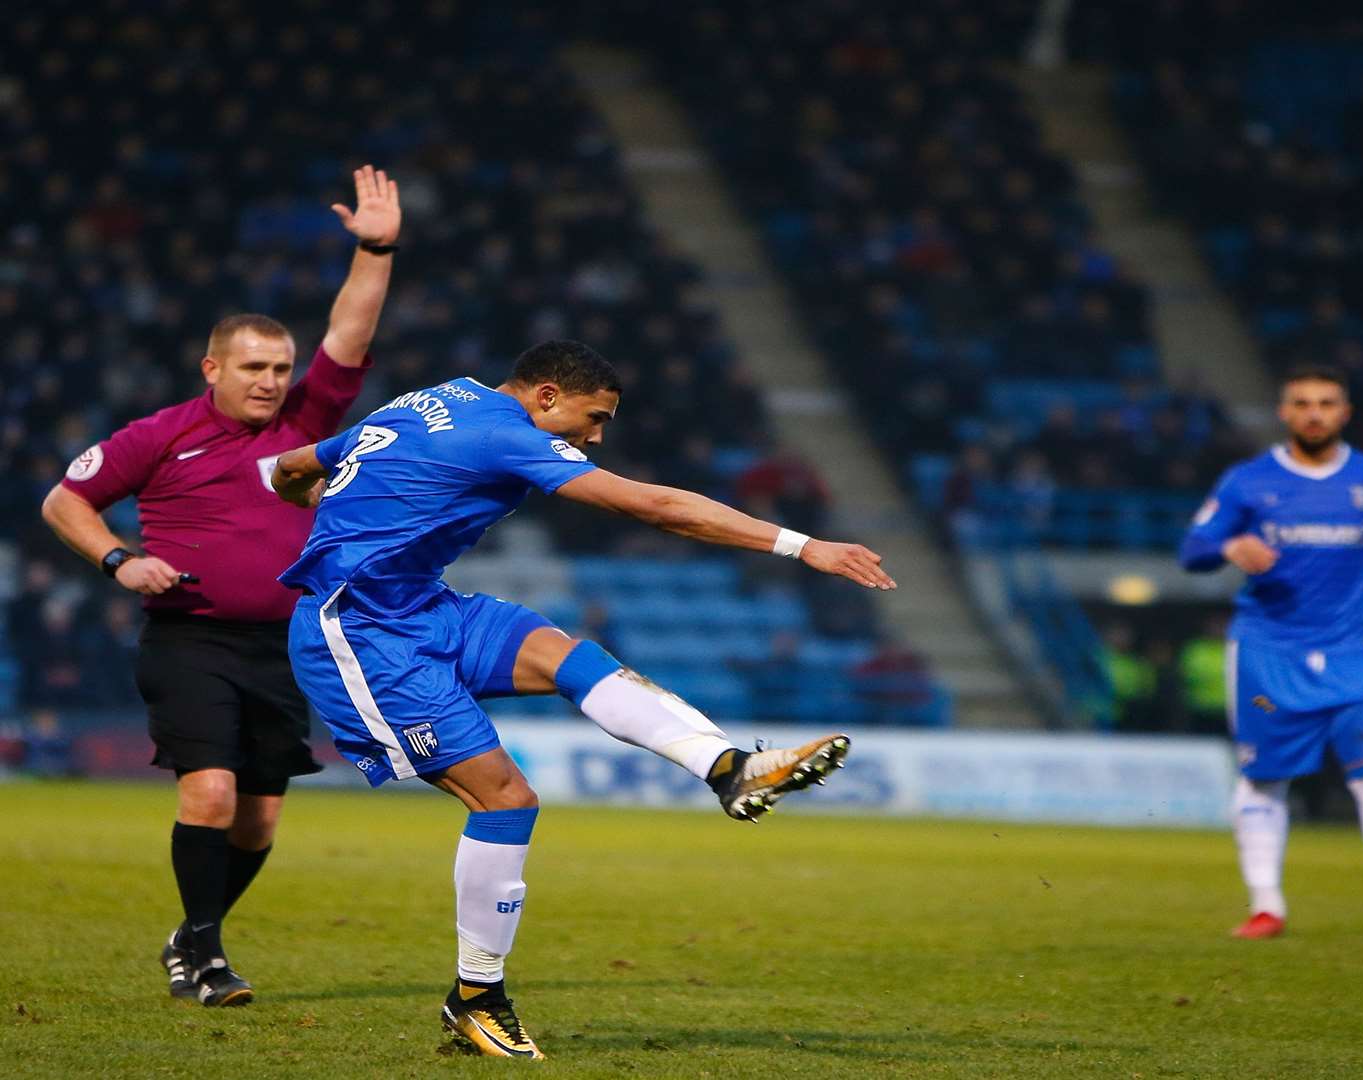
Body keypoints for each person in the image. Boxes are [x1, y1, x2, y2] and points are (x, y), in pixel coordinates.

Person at [270, 340, 895, 1060]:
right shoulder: (502, 431)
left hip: (424, 607)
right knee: (505, 801)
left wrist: (309, 502)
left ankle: (729, 768)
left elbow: (295, 466)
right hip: (361, 632)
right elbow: (659, 506)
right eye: (592, 418)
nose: (595, 437)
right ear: (545, 397)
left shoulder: (439, 397)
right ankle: (476, 1001)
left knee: (570, 657)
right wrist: (801, 544)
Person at [38, 165, 400, 1007]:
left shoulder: (307, 424)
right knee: (209, 791)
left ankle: (191, 936)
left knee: (259, 821)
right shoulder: (159, 436)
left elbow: (349, 331)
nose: (273, 381)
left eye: (280, 366)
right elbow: (65, 499)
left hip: (285, 646)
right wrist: (119, 560)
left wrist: (377, 249)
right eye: (255, 367)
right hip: (190, 636)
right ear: (212, 368)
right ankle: (206, 960)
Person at [1179, 365, 1363, 944]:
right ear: (1284, 413)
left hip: (1351, 656)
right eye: (1302, 403)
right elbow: (1192, 550)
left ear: (1344, 413)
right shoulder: (1247, 481)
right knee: (1264, 780)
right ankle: (1267, 907)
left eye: (1326, 403)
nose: (1314, 413)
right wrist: (1228, 545)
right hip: (1267, 654)